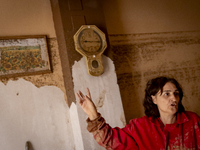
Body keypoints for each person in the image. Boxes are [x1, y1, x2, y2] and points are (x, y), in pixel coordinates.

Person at [76, 76, 200, 150]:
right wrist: (93, 114)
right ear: (154, 99)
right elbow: (112, 140)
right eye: (167, 94)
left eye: (176, 94)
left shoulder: (193, 121)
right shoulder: (139, 127)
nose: (173, 98)